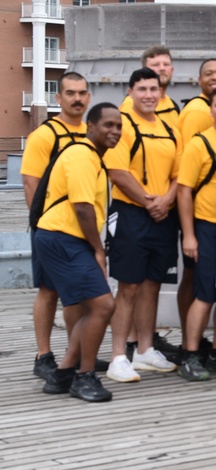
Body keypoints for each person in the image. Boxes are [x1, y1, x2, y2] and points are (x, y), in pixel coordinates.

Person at [35, 102, 121, 403]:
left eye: (119, 126)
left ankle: (64, 373)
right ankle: (84, 377)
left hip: (64, 238)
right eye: (108, 125)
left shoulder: (92, 158)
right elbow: (83, 207)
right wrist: (99, 251)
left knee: (91, 308)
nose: (115, 131)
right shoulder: (83, 155)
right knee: (103, 307)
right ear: (91, 127)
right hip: (63, 238)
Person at [104, 67, 181, 383]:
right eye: (142, 89)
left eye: (154, 89)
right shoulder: (122, 127)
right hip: (132, 214)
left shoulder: (169, 127)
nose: (149, 95)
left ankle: (146, 350)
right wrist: (151, 202)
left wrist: (166, 201)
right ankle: (118, 355)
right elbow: (117, 172)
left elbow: (180, 174)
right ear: (130, 92)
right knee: (129, 287)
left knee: (153, 284)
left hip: (163, 216)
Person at [22, 71, 91, 382]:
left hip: (83, 229)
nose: (77, 98)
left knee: (80, 294)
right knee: (49, 291)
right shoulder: (45, 135)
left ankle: (74, 354)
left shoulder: (91, 133)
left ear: (89, 97)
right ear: (58, 98)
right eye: (70, 93)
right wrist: (43, 229)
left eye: (82, 93)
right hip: (51, 231)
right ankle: (43, 355)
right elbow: (30, 183)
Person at [175, 85, 216, 381]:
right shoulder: (199, 144)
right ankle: (190, 354)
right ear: (211, 110)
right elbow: (184, 191)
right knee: (205, 293)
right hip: (205, 226)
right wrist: (189, 235)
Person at [120, 46, 180, 129]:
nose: (162, 68)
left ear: (172, 70)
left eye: (166, 64)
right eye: (155, 65)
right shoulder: (132, 104)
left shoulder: (172, 104)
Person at [177, 59, 216, 145]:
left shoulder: (214, 107)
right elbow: (192, 154)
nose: (215, 77)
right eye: (209, 74)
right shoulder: (198, 112)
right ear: (199, 80)